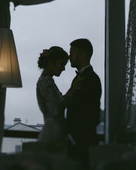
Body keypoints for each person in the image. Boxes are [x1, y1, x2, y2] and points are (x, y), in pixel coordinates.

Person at [36, 46, 81, 152]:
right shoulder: (46, 83)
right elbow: (55, 110)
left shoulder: (45, 81)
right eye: (61, 64)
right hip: (54, 132)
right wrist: (72, 90)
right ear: (51, 63)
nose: (63, 68)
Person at [66, 38, 102, 168]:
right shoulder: (79, 78)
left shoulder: (92, 79)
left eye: (72, 53)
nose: (69, 56)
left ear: (82, 55)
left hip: (83, 142)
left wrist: (75, 137)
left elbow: (91, 113)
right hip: (76, 141)